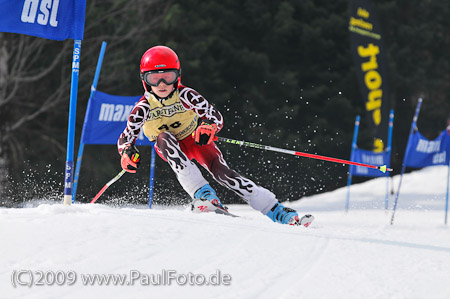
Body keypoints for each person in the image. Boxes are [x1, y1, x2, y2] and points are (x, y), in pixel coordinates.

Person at [117, 45, 313, 226]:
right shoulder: (142, 108)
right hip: (169, 146)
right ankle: (205, 194)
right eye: (154, 78)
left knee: (223, 174)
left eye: (167, 76)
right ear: (144, 80)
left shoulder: (187, 95)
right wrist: (126, 152)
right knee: (164, 138)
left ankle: (276, 210)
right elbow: (126, 138)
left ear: (177, 76)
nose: (161, 83)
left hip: (196, 140)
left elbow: (215, 117)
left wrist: (209, 127)